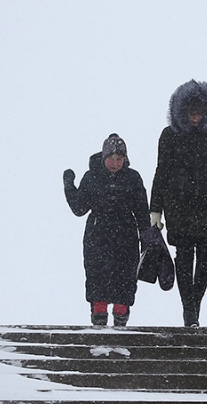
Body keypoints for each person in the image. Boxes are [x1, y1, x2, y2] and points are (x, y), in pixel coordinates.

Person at [149, 80, 207, 327]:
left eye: (200, 113)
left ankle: (194, 305)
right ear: (183, 112)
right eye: (192, 113)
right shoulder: (169, 136)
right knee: (184, 256)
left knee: (206, 259)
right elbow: (161, 172)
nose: (196, 118)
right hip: (179, 206)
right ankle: (189, 310)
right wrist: (155, 208)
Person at [63, 133, 150, 326]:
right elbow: (79, 209)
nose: (115, 163)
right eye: (111, 158)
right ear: (104, 158)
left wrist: (147, 238)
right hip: (97, 235)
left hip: (126, 236)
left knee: (125, 282)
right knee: (97, 281)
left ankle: (120, 327)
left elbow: (142, 211)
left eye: (119, 159)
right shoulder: (92, 177)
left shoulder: (133, 178)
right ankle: (99, 326)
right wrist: (69, 186)